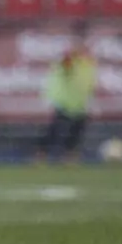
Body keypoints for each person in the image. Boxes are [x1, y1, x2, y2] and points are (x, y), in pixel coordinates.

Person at [33, 20, 97, 165]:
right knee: (56, 129)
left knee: (77, 129)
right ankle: (41, 154)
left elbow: (89, 76)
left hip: (80, 100)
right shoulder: (69, 56)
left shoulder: (88, 59)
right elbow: (65, 67)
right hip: (65, 98)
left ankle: (69, 156)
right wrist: (73, 55)